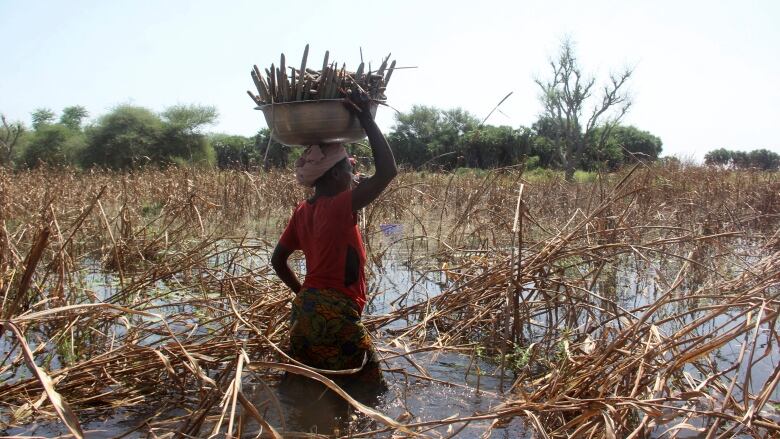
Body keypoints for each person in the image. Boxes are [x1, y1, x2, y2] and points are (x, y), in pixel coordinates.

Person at [271, 89, 397, 400]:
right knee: (370, 394)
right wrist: (366, 117)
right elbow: (388, 172)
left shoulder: (304, 210)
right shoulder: (340, 206)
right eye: (350, 170)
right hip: (336, 313)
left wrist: (306, 295)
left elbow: (277, 260)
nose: (354, 175)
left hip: (304, 311)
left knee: (307, 389)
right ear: (336, 175)